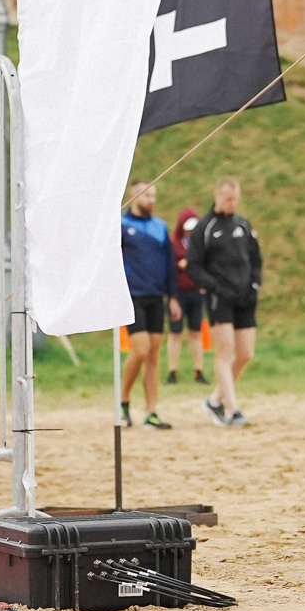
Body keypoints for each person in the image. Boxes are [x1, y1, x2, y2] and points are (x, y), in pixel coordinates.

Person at [189, 177, 260, 426]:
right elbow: (193, 267)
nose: (232, 204)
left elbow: (255, 258)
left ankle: (215, 400)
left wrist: (254, 285)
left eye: (235, 199)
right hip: (220, 298)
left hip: (245, 297)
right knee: (225, 351)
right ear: (217, 195)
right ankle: (233, 410)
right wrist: (215, 288)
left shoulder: (243, 225)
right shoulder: (204, 228)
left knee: (246, 353)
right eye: (228, 199)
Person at [117, 182, 174, 429]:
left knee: (153, 355)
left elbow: (169, 264)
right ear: (134, 196)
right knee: (140, 350)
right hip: (132, 297)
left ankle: (151, 412)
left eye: (154, 195)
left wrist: (173, 297)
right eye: (147, 195)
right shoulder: (120, 225)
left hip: (156, 296)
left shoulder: (160, 226)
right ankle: (124, 401)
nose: (151, 199)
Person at [167, 205, 207, 385]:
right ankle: (172, 371)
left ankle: (199, 370)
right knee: (175, 333)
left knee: (195, 332)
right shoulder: (173, 242)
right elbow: (168, 268)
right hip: (178, 294)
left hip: (195, 293)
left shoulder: (199, 243)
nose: (190, 231)